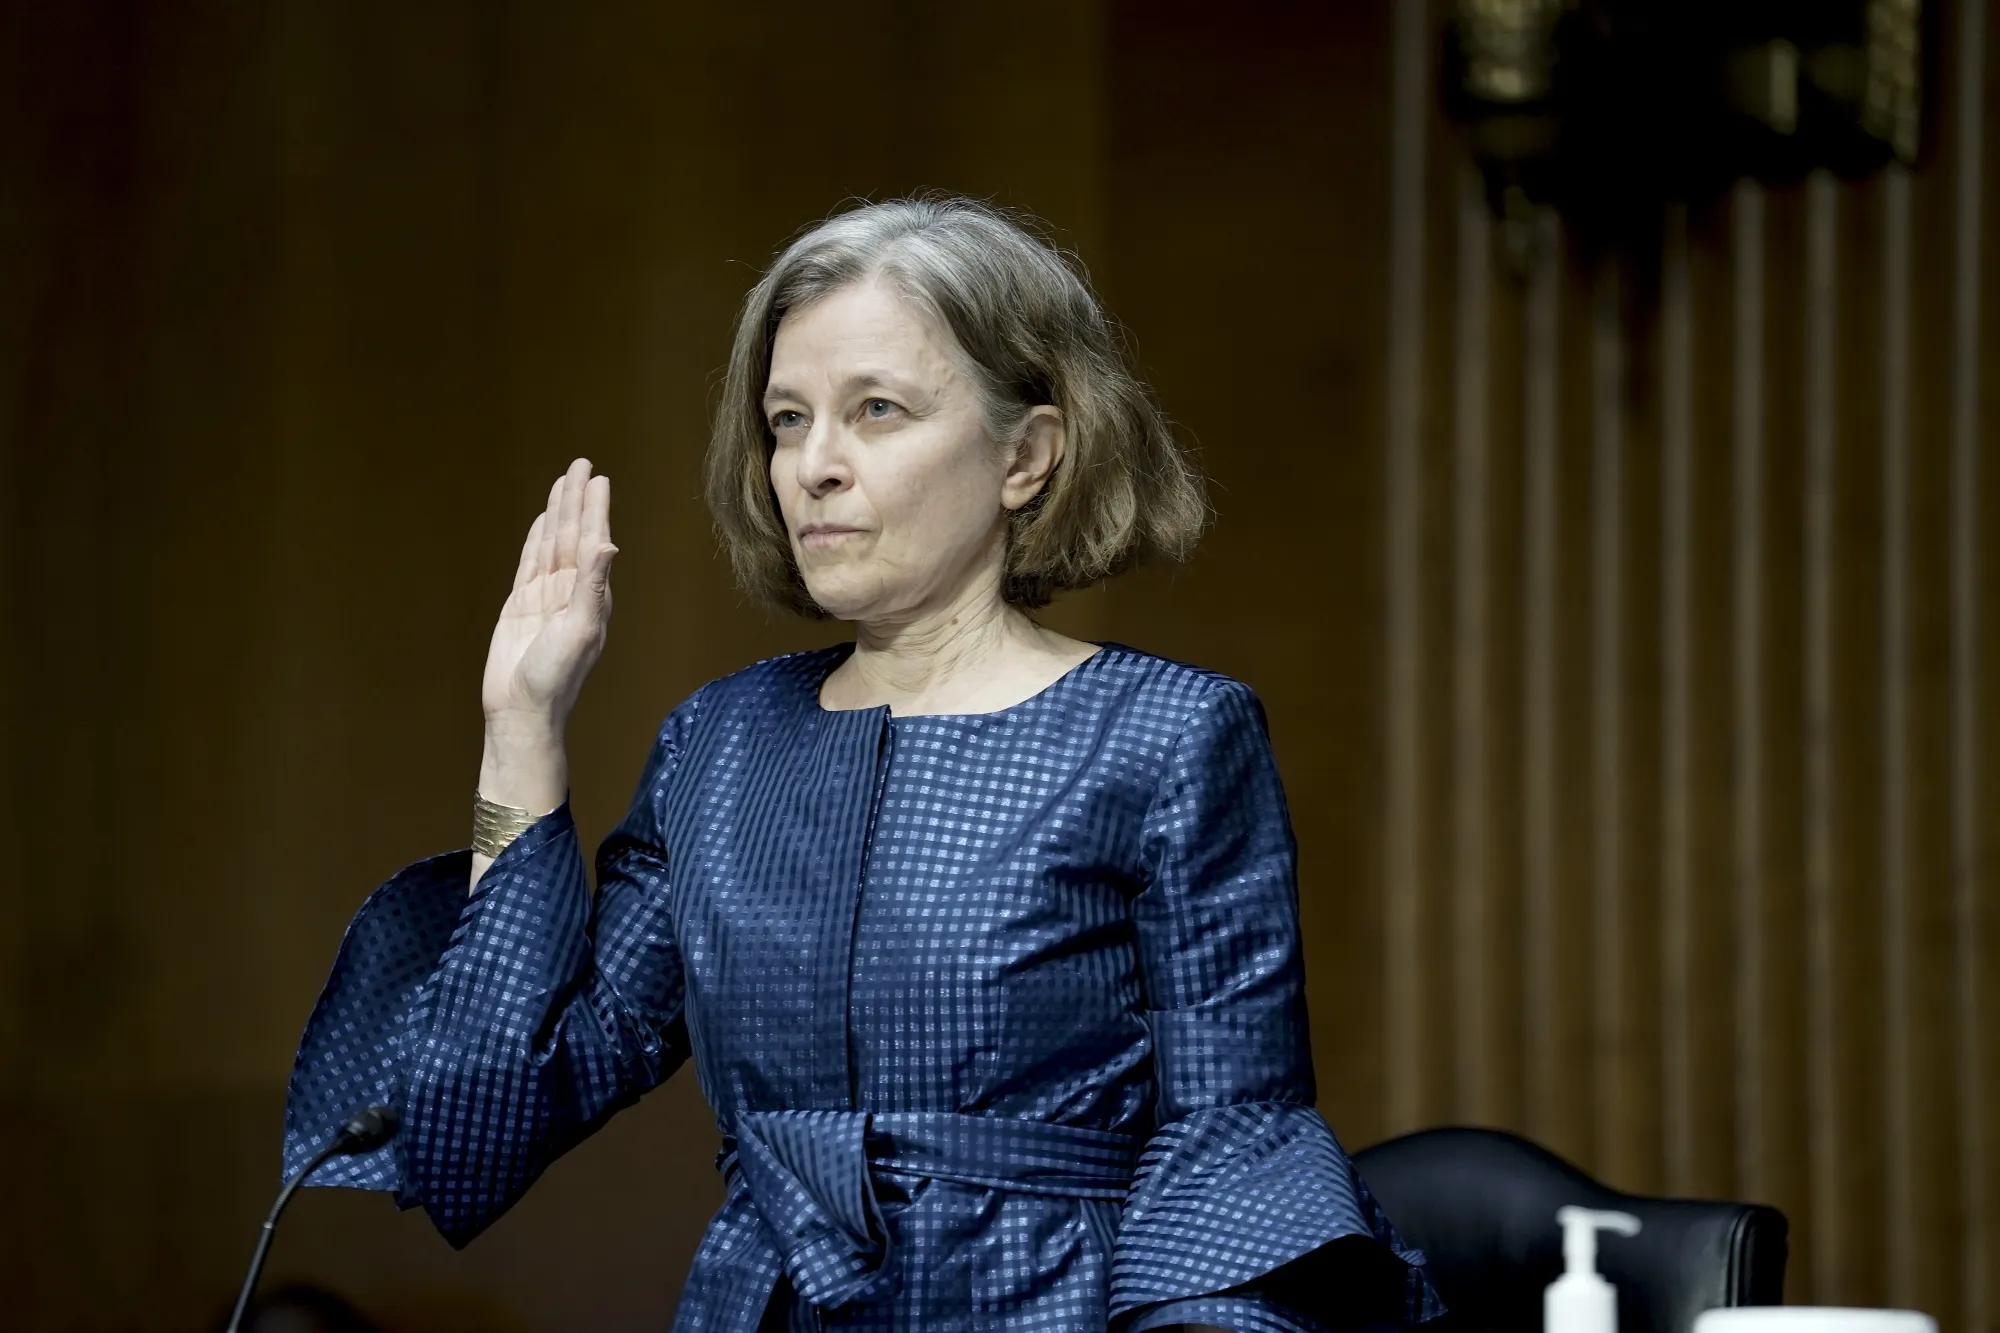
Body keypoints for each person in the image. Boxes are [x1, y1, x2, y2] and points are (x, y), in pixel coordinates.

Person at [284, 195, 1440, 1333]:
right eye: (787, 419)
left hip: (1054, 1305)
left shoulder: (1166, 732)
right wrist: (519, 731)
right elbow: (490, 1110)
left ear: (1026, 455)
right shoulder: (718, 742)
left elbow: (1230, 1134)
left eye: (875, 410)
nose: (813, 466)